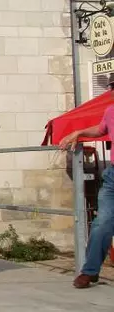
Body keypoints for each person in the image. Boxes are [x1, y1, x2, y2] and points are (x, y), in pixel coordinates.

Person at [59, 89, 114, 289]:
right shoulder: (110, 111)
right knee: (102, 223)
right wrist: (79, 132)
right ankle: (90, 272)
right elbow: (101, 129)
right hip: (112, 177)